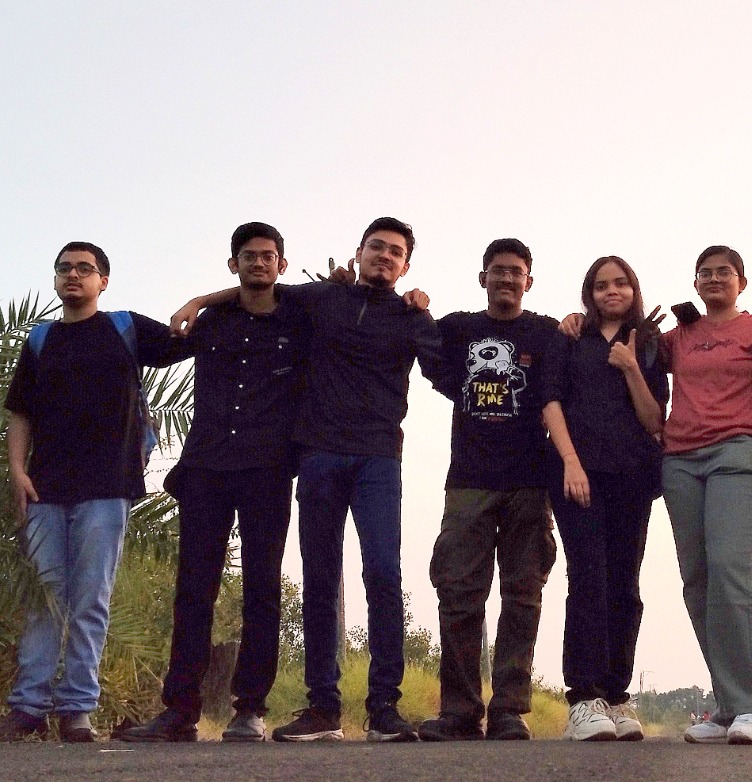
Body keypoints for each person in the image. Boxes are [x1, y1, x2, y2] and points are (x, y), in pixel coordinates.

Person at [170, 218, 446, 744]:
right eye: (376, 248)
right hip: (317, 454)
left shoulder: (412, 317)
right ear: (358, 252)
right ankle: (323, 708)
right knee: (320, 579)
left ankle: (385, 707)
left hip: (378, 459)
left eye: (395, 252)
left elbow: (448, 372)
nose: (384, 256)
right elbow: (260, 283)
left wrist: (427, 308)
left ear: (406, 265)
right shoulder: (322, 299)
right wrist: (201, 300)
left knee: (383, 573)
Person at [116, 223, 310, 745]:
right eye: (248, 256)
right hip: (205, 470)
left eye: (268, 256)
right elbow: (155, 347)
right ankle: (179, 712)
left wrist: (200, 295)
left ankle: (250, 710)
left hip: (268, 471)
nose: (258, 263)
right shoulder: (213, 323)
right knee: (193, 591)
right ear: (234, 264)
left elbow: (317, 297)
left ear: (282, 266)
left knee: (262, 591)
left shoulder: (299, 317)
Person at [2, 243, 178, 743]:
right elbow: (21, 415)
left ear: (103, 280)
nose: (73, 276)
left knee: (90, 600)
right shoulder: (40, 339)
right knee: (44, 598)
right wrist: (17, 470)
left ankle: (77, 707)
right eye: (64, 269)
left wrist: (205, 301)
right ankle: (28, 707)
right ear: (56, 279)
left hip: (106, 487)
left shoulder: (125, 329)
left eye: (85, 269)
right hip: (45, 489)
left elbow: (194, 340)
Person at [659, 245, 752, 746]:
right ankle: (725, 707)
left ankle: (750, 709)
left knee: (729, 570)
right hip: (680, 462)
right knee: (696, 581)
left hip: (740, 456)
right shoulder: (678, 337)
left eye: (725, 272)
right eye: (705, 273)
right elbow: (622, 346)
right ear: (694, 283)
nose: (714, 279)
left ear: (742, 281)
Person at [421, 239, 560, 742]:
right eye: (497, 271)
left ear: (529, 280)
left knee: (523, 593)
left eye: (516, 272)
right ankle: (458, 710)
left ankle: (509, 708)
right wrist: (415, 301)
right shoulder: (457, 329)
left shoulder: (546, 334)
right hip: (468, 481)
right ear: (483, 277)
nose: (506, 279)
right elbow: (421, 347)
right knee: (459, 594)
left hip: (529, 480)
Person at [542, 256, 668, 742]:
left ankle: (616, 696)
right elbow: (551, 401)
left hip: (633, 476)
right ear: (588, 294)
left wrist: (633, 367)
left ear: (634, 289)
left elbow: (655, 420)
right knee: (588, 578)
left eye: (619, 284)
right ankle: (584, 697)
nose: (611, 292)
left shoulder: (650, 344)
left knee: (625, 585)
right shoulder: (570, 338)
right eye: (600, 286)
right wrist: (571, 461)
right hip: (579, 474)